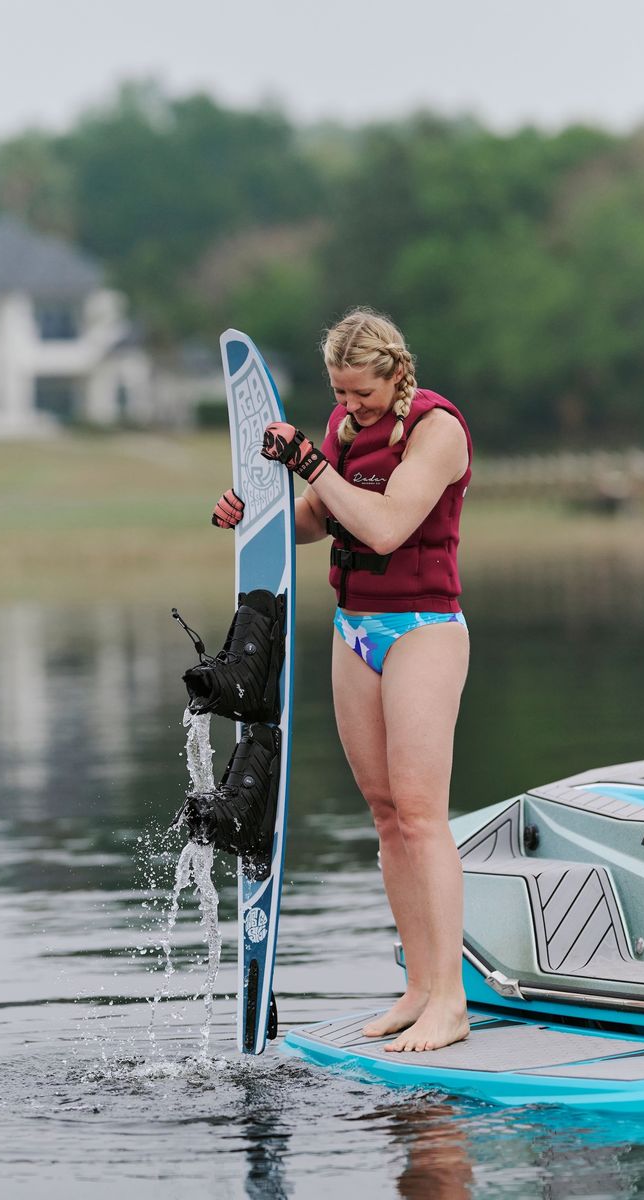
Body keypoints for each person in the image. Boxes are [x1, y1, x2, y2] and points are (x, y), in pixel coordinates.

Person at [212, 309, 472, 1053]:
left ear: (395, 373)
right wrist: (253, 517)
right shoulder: (342, 431)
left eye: (359, 393)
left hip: (422, 630)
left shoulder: (436, 430)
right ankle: (419, 988)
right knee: (385, 815)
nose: (347, 406)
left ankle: (451, 1002)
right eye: (338, 393)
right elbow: (320, 518)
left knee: (423, 816)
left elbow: (387, 527)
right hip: (356, 628)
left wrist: (311, 464)